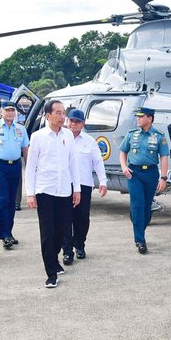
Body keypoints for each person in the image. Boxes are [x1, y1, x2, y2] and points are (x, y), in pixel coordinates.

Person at [25, 100, 81, 288]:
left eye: (63, 112)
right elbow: (31, 166)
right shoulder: (38, 137)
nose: (62, 116)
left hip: (64, 189)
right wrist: (30, 193)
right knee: (48, 232)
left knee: (62, 230)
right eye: (58, 112)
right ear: (48, 115)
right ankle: (51, 273)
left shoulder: (68, 136)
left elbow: (73, 163)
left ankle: (54, 260)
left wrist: (77, 189)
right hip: (45, 190)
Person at [119, 107, 169, 254]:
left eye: (141, 116)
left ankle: (138, 221)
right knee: (138, 204)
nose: (138, 119)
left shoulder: (159, 136)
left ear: (150, 118)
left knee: (147, 208)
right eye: (137, 117)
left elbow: (164, 157)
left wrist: (164, 177)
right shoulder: (131, 134)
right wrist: (123, 167)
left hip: (151, 174)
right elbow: (123, 152)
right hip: (134, 173)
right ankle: (140, 240)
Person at [62, 109, 107, 266]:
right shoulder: (61, 139)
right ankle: (67, 251)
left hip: (84, 185)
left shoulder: (89, 141)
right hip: (64, 185)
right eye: (71, 121)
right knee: (65, 218)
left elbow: (98, 162)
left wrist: (103, 181)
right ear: (67, 122)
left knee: (82, 218)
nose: (73, 124)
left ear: (83, 124)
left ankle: (79, 244)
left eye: (77, 121)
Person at [0, 101, 29, 249]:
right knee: (2, 200)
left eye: (12, 110)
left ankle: (8, 232)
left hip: (15, 166)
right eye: (7, 110)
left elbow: (25, 149)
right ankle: (5, 235)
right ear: (1, 111)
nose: (10, 113)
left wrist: (28, 167)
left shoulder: (21, 129)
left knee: (11, 202)